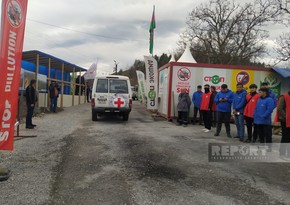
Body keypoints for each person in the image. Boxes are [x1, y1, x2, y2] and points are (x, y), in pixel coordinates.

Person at [277, 91, 290, 160]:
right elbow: (279, 108)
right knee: (286, 137)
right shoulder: (284, 97)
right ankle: (282, 153)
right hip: (285, 120)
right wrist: (286, 116)